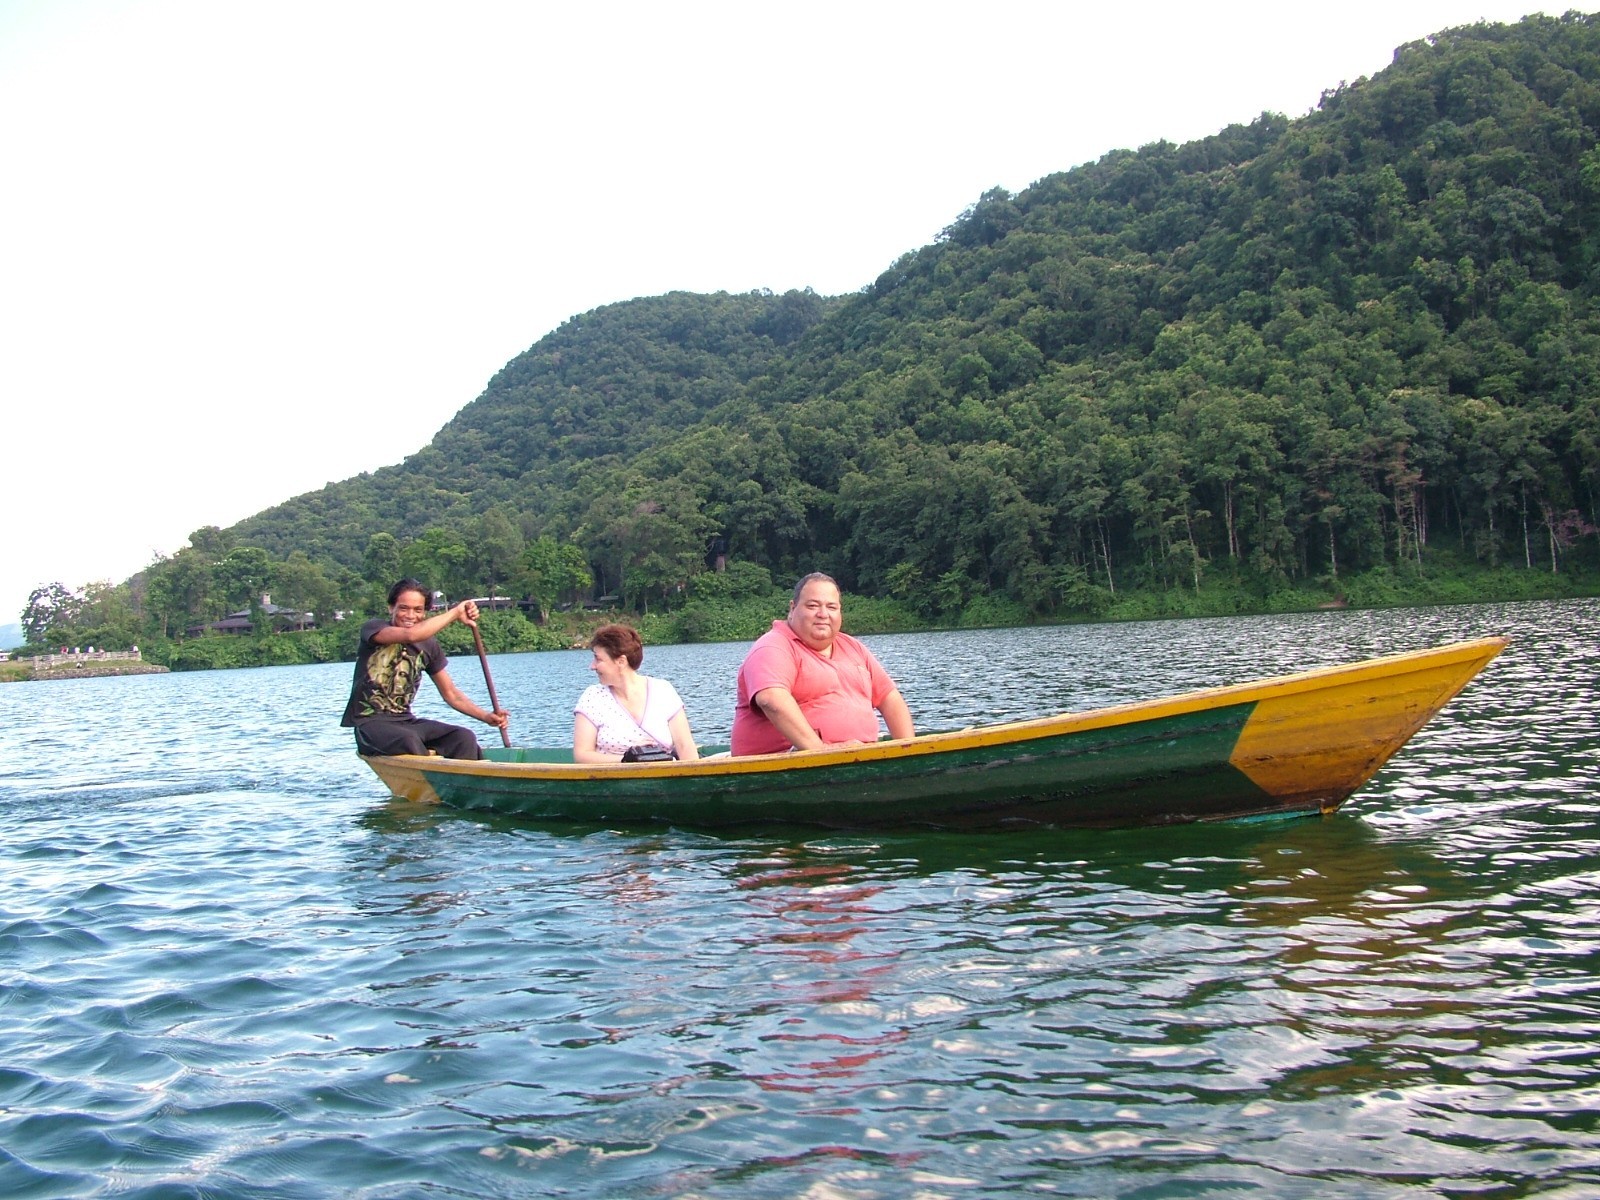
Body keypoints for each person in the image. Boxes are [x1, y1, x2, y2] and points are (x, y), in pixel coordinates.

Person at [731, 572, 914, 756]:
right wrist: (821, 752)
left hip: (857, 757)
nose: (823, 614)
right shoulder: (773, 646)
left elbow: (890, 699)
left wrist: (909, 752)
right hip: (790, 765)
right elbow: (770, 699)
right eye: (812, 606)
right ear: (792, 608)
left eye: (831, 607)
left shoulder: (853, 647)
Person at [341, 578, 510, 759]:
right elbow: (411, 635)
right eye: (403, 608)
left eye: (418, 610)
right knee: (409, 740)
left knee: (463, 737)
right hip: (370, 724)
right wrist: (455, 613)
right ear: (391, 607)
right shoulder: (374, 629)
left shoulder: (429, 645)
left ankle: (469, 785)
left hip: (405, 721)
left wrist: (486, 716)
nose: (410, 616)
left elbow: (451, 694)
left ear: (425, 612)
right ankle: (430, 783)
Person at [573, 624, 700, 762]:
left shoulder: (663, 690)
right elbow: (582, 755)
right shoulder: (593, 697)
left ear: (621, 661)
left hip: (664, 778)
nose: (592, 666)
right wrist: (627, 760)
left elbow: (685, 746)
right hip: (611, 780)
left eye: (598, 659)